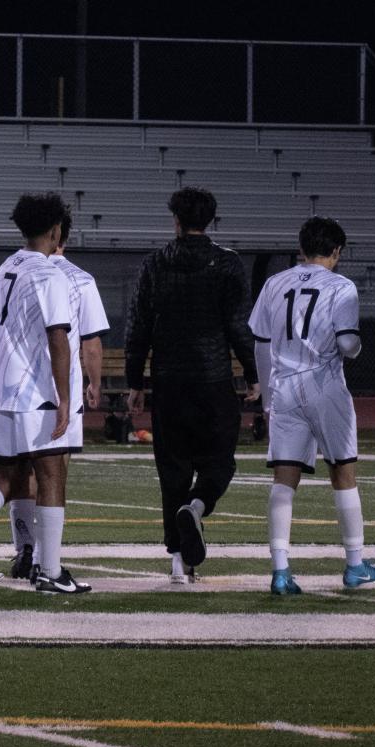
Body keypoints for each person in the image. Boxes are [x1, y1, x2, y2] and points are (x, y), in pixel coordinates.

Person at [0, 193, 87, 594]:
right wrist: (64, 398)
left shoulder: (6, 266)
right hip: (35, 394)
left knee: (8, 477)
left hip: (2, 394)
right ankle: (51, 570)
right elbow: (59, 337)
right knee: (51, 476)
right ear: (56, 230)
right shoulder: (49, 273)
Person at [123, 186, 258, 575]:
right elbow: (237, 326)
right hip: (213, 379)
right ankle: (197, 507)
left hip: (168, 381)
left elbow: (138, 327)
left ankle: (180, 563)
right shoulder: (228, 263)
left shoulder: (155, 263)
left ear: (176, 221)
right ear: (210, 220)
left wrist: (135, 381)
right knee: (220, 463)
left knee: (173, 469)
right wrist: (252, 374)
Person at [251, 217, 375, 593]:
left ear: (301, 247)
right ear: (337, 251)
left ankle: (280, 571)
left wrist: (265, 394)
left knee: (284, 479)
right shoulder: (341, 286)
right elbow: (347, 345)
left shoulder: (275, 283)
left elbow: (261, 342)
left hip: (284, 388)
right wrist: (356, 347)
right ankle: (355, 564)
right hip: (324, 385)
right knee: (343, 471)